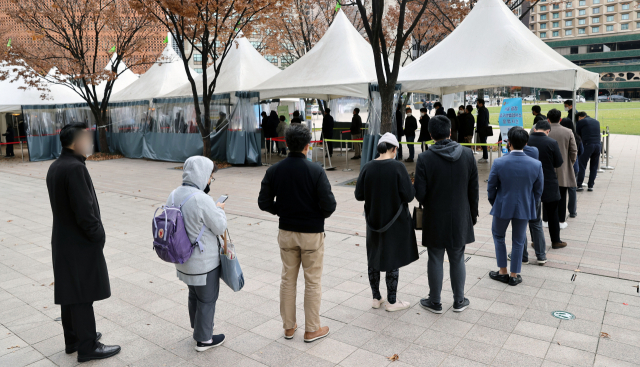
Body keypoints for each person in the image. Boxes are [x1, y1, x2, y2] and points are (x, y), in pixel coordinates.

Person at [46, 123, 121, 363]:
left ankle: (73, 339)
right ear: (76, 142)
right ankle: (88, 346)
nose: (90, 143)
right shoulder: (75, 168)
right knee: (82, 293)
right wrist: (98, 235)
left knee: (70, 291)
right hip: (79, 241)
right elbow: (84, 211)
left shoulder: (56, 166)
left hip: (62, 240)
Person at [258, 124, 337, 343]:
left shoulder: (274, 170)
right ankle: (312, 329)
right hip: (312, 233)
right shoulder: (316, 170)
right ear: (307, 145)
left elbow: (263, 202)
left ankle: (289, 327)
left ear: (286, 143)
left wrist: (281, 210)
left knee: (287, 279)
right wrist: (316, 215)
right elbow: (329, 206)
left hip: (286, 231)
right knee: (312, 281)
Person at [415, 115, 478, 314]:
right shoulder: (468, 154)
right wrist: (472, 215)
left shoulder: (425, 158)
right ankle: (459, 300)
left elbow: (420, 193)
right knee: (458, 256)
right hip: (460, 214)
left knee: (434, 257)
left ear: (431, 134)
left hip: (434, 215)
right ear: (450, 132)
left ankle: (435, 301)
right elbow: (473, 190)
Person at [167, 157, 227, 351]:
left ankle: (199, 326)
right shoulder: (202, 199)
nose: (210, 181)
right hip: (203, 262)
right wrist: (219, 210)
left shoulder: (174, 194)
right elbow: (219, 226)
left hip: (182, 258)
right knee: (207, 299)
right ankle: (204, 339)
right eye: (210, 176)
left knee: (194, 295)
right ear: (202, 174)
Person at [354, 133, 419, 312]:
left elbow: (359, 195)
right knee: (393, 258)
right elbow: (409, 195)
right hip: (395, 221)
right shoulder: (398, 167)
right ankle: (392, 301)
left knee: (373, 257)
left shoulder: (367, 167)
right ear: (394, 149)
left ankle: (376, 298)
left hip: (373, 220)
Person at [488, 127, 544, 286]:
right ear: (526, 143)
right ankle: (514, 274)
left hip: (502, 205)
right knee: (518, 240)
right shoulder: (536, 164)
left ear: (509, 143)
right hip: (524, 206)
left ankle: (502, 271)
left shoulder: (499, 162)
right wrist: (530, 203)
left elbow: (491, 187)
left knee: (498, 236)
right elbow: (538, 190)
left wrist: (496, 202)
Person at [504, 136, 547, 265]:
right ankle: (541, 255)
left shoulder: (509, 156)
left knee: (519, 226)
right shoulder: (534, 151)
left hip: (519, 196)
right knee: (536, 224)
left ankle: (523, 256)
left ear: (510, 143)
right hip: (533, 195)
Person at [528, 119, 567, 250]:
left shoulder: (526, 141)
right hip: (548, 181)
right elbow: (558, 162)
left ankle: (535, 240)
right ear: (548, 131)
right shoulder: (551, 142)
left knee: (533, 214)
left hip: (530, 181)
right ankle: (556, 241)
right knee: (552, 213)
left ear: (534, 129)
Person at [547, 109, 577, 229]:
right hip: (563, 168)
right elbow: (574, 151)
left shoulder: (544, 131)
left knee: (547, 197)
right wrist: (570, 163)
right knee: (562, 196)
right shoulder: (568, 131)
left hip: (547, 169)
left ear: (548, 119)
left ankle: (546, 219)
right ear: (560, 119)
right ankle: (560, 220)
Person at [560, 117, 583, 217]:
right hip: (574, 166)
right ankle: (572, 211)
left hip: (562, 166)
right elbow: (581, 152)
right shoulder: (577, 137)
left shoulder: (560, 136)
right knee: (572, 190)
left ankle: (560, 210)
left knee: (561, 189)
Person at [576, 111, 601, 192]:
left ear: (579, 117)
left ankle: (579, 184)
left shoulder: (581, 122)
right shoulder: (596, 121)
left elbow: (577, 135)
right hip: (598, 145)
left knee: (582, 165)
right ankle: (591, 185)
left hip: (587, 145)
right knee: (594, 166)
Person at [476, 98, 490, 163]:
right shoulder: (486, 110)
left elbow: (481, 120)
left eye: (478, 103)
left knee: (483, 143)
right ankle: (485, 156)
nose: (477, 104)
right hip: (485, 128)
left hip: (482, 129)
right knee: (484, 142)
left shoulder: (481, 110)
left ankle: (485, 157)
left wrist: (478, 129)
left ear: (481, 104)